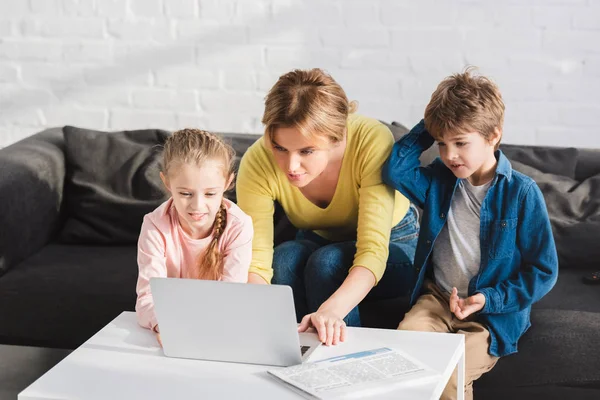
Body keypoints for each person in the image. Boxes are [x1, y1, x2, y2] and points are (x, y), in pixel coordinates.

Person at [382, 68, 559, 400]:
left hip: (488, 315)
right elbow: (396, 170)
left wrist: (489, 299)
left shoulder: (521, 192)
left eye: (461, 143)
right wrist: (433, 123)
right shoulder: (439, 180)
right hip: (437, 301)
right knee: (405, 357)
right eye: (441, 144)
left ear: (493, 135)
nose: (449, 155)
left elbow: (543, 270)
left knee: (450, 372)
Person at [236, 68, 419, 346]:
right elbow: (257, 262)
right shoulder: (257, 161)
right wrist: (265, 321)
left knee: (327, 263)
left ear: (337, 138)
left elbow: (372, 250)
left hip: (395, 241)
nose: (291, 166)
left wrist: (331, 312)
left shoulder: (370, 141)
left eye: (306, 151)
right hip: (319, 239)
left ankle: (347, 366)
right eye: (280, 148)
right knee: (284, 257)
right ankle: (290, 358)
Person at [136, 128, 253, 345]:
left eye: (210, 194)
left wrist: (198, 328)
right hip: (173, 324)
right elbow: (146, 299)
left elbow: (232, 296)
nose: (198, 205)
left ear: (227, 183)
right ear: (167, 183)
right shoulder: (154, 225)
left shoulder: (239, 225)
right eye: (185, 193)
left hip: (218, 328)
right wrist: (168, 324)